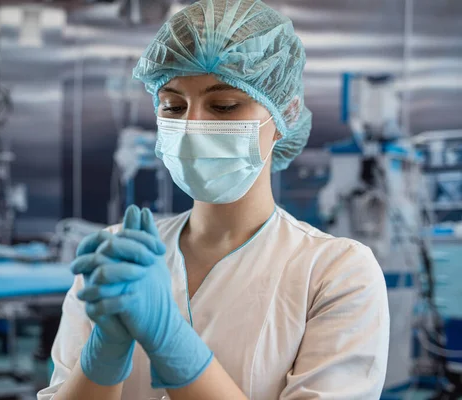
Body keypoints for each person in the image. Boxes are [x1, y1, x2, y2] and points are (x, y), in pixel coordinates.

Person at [38, 0, 390, 399]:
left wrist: (171, 342)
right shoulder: (121, 258)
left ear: (284, 115)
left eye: (223, 106)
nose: (191, 126)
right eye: (173, 105)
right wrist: (105, 352)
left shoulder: (336, 272)